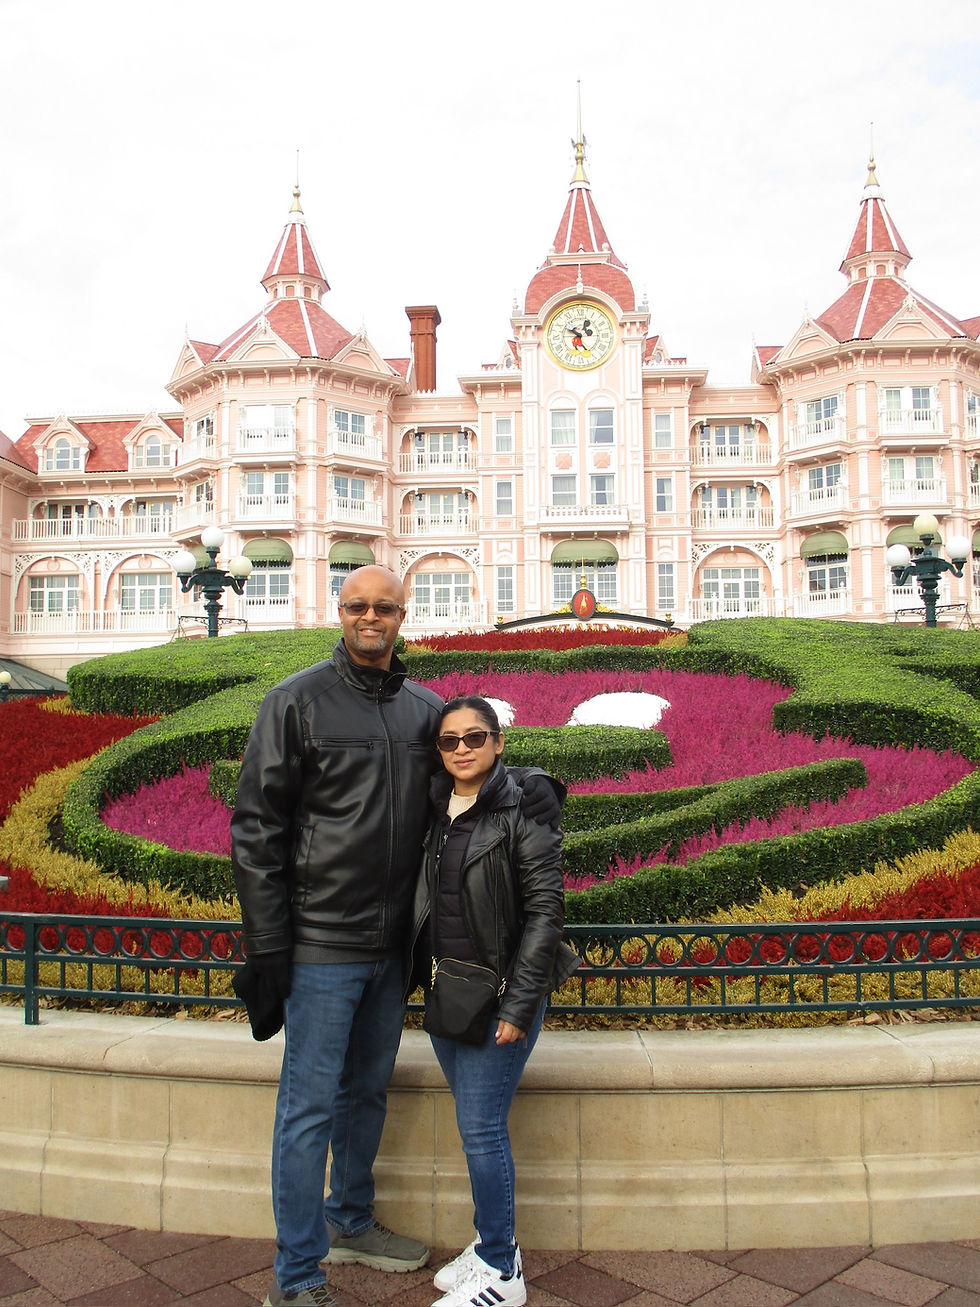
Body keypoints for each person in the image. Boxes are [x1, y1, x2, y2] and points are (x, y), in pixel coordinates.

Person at [231, 567, 560, 1307]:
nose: (370, 617)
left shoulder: (423, 709)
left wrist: (531, 782)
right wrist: (269, 945)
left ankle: (350, 1218)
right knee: (308, 1106)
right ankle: (296, 1274)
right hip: (319, 943)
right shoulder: (295, 701)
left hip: (392, 950)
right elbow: (256, 829)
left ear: (402, 615)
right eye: (357, 606)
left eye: (384, 606)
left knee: (367, 1094)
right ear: (340, 612)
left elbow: (466, 773)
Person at [408, 696, 581, 1307]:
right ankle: (487, 1247)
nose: (461, 749)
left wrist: (518, 1006)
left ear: (499, 742)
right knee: (473, 1125)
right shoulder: (432, 805)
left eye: (474, 738)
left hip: (499, 997)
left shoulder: (524, 809)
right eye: (450, 740)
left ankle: (504, 1272)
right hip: (447, 992)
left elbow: (544, 916)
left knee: (482, 1131)